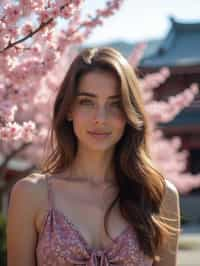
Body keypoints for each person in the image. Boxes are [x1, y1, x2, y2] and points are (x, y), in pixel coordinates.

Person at [7, 47, 180, 266]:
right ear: (69, 109)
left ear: (129, 113)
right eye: (87, 102)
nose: (100, 118)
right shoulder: (31, 194)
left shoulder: (160, 196)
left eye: (115, 104)